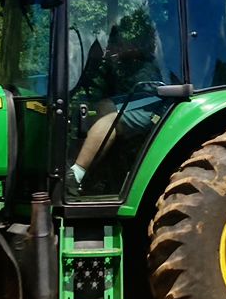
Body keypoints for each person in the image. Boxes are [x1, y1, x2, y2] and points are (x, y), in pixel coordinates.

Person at [68, 15, 168, 194]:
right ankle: (88, 171)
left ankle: (75, 174)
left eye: (115, 44)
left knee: (108, 114)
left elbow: (148, 89)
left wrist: (119, 55)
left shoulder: (146, 63)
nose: (111, 49)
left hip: (158, 104)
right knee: (93, 107)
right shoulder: (123, 64)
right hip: (144, 99)